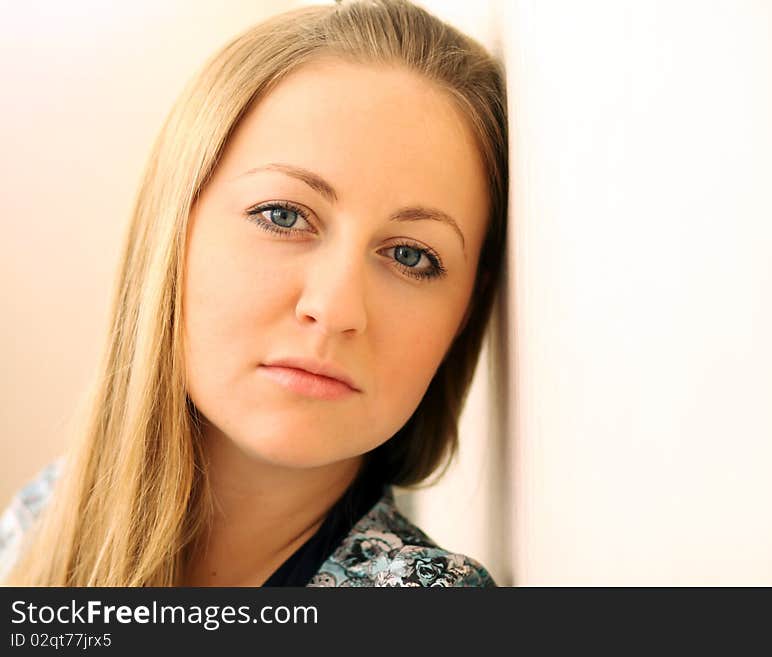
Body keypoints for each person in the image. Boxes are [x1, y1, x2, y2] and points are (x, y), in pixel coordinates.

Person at [0, 0, 507, 587]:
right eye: (284, 216)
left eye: (410, 256)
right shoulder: (44, 517)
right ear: (173, 231)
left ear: (466, 314)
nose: (335, 308)